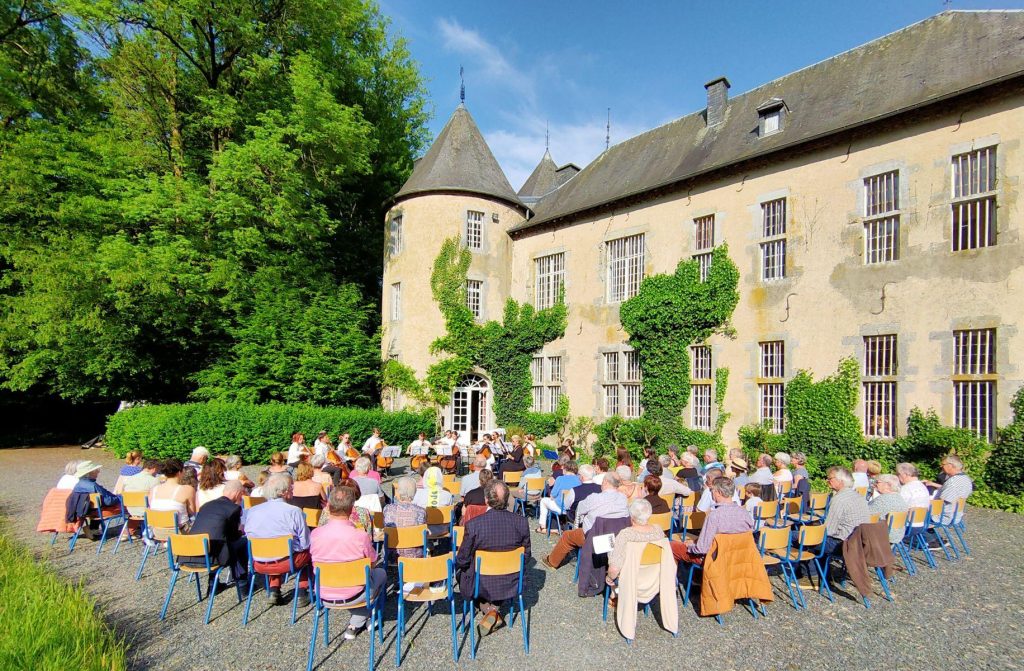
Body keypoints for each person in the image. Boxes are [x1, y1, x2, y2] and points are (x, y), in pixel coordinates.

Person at [456, 480, 531, 635]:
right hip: (510, 581)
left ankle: (489, 610)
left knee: (461, 573)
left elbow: (462, 559)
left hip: (481, 583)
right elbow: (526, 556)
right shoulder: (522, 522)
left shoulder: (474, 525)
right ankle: (494, 609)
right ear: (507, 499)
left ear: (486, 500)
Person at [310, 486, 385, 639]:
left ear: (329, 507)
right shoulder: (360, 536)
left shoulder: (315, 534)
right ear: (351, 510)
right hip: (356, 594)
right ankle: (365, 617)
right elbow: (371, 564)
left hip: (324, 592)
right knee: (380, 573)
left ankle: (358, 621)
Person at [242, 474, 311, 606]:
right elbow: (305, 543)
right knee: (309, 552)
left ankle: (274, 589)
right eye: (291, 488)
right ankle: (302, 591)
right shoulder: (293, 511)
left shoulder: (252, 511)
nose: (292, 490)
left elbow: (247, 534)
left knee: (275, 550)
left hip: (258, 562)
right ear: (284, 492)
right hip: (287, 562)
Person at [541, 473, 626, 570]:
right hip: (614, 537)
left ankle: (552, 562)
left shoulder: (594, 498)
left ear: (606, 482)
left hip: (594, 538)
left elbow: (579, 511)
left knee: (567, 536)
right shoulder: (623, 498)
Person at [670, 477, 753, 564]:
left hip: (714, 558)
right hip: (738, 557)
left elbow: (702, 549)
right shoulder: (745, 514)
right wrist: (696, 541)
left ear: (718, 493)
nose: (711, 492)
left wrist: (690, 546)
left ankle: (675, 576)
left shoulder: (714, 515)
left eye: (712, 490)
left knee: (672, 546)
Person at [181, 480, 249, 582]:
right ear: (238, 493)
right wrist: (241, 531)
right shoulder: (233, 509)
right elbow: (233, 537)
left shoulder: (206, 505)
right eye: (241, 495)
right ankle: (242, 583)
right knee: (242, 542)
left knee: (214, 541)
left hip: (189, 555)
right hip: (211, 558)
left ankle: (213, 585)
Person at [606, 498, 666, 586]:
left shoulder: (625, 534)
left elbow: (614, 570)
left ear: (632, 516)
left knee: (611, 552)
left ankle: (614, 594)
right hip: (654, 579)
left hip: (631, 580)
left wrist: (609, 577)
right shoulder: (659, 530)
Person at [820, 466, 871, 564]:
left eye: (830, 479)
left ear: (841, 481)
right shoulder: (859, 496)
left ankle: (812, 573)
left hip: (843, 544)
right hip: (860, 542)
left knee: (799, 537)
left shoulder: (839, 499)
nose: (828, 481)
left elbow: (829, 530)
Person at [66, 461, 120, 538]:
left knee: (98, 506)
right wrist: (118, 498)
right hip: (98, 512)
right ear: (89, 473)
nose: (98, 472)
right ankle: (132, 530)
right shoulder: (93, 485)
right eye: (96, 470)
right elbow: (108, 501)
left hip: (85, 511)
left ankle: (93, 529)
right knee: (124, 504)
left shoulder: (77, 486)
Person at [382, 477, 427, 558]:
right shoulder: (421, 512)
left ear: (398, 491)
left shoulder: (387, 509)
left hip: (392, 553)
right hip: (415, 554)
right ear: (414, 492)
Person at [150, 458, 196, 528]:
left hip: (157, 531)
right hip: (179, 532)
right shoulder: (188, 489)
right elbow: (192, 512)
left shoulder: (154, 489)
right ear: (180, 472)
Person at [538, 460, 581, 533]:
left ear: (565, 469)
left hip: (561, 508)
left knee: (543, 500)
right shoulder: (579, 480)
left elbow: (553, 494)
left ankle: (543, 527)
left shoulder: (560, 479)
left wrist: (552, 497)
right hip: (573, 508)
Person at [868, 475, 909, 544]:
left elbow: (865, 514)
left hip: (883, 536)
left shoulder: (883, 500)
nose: (875, 484)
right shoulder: (900, 498)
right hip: (897, 534)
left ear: (888, 485)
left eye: (877, 482)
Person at [934, 455, 974, 524]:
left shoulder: (953, 482)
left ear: (950, 466)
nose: (941, 466)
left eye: (943, 464)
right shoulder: (966, 479)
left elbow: (943, 501)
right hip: (957, 514)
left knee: (913, 514)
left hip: (944, 517)